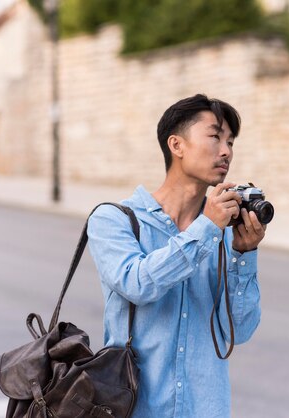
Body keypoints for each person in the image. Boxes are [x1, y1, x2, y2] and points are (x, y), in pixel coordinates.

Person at [87, 94, 266, 417]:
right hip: (133, 408)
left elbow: (239, 331)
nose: (226, 151)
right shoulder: (112, 220)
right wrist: (207, 228)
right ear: (176, 145)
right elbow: (138, 284)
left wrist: (244, 253)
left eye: (230, 141)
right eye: (214, 137)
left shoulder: (224, 231)